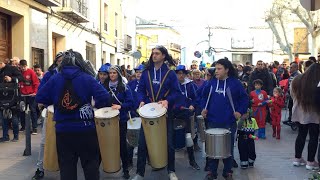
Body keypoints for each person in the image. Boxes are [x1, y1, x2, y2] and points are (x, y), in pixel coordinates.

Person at [35, 49, 111, 180]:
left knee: (67, 167)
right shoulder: (87, 78)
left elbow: (40, 97)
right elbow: (105, 97)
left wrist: (55, 101)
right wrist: (94, 103)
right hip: (86, 129)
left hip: (63, 130)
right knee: (90, 166)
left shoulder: (55, 78)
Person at [132, 45, 180, 180]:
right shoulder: (146, 72)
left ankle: (171, 171)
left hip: (165, 113)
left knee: (169, 143)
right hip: (148, 112)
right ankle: (139, 173)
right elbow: (140, 90)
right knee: (142, 143)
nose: (154, 56)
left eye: (157, 53)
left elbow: (177, 92)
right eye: (153, 53)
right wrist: (141, 100)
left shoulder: (170, 74)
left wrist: (167, 101)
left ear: (164, 56)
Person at [201, 58, 249, 180]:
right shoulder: (211, 83)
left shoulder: (235, 83)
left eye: (219, 69)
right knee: (212, 147)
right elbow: (202, 96)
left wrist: (239, 111)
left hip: (229, 121)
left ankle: (227, 171)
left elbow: (244, 99)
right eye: (215, 69)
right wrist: (203, 108)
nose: (216, 71)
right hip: (212, 120)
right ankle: (212, 171)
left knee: (228, 147)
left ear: (226, 70)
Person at [32, 52, 64, 180]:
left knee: (65, 143)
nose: (61, 62)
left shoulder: (71, 76)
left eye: (64, 60)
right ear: (56, 61)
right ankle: (40, 168)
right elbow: (41, 91)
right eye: (59, 60)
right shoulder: (50, 74)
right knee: (44, 141)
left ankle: (64, 168)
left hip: (66, 112)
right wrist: (44, 102)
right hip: (51, 111)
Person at [105, 65, 134, 179]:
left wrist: (120, 106)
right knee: (105, 143)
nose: (112, 75)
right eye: (110, 73)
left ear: (118, 74)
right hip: (107, 119)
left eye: (114, 73)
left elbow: (131, 103)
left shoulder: (124, 87)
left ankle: (125, 168)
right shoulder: (103, 86)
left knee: (121, 144)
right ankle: (108, 165)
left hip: (120, 120)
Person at [291, 63, 320, 170]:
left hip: (300, 111)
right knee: (313, 136)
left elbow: (292, 94)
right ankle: (310, 161)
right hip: (314, 112)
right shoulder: (317, 81)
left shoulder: (297, 79)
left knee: (301, 135)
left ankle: (297, 159)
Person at [174, 65, 200, 170]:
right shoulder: (171, 85)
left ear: (185, 74)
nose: (181, 75)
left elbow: (196, 98)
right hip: (173, 115)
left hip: (185, 115)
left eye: (182, 73)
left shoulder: (190, 85)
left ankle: (192, 161)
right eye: (179, 73)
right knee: (170, 140)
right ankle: (169, 165)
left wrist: (192, 105)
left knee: (189, 138)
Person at [0, 59, 23, 142]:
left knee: (14, 117)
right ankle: (5, 136)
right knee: (3, 117)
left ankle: (16, 136)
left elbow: (21, 78)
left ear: (1, 63)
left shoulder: (12, 68)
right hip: (2, 97)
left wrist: (11, 79)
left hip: (13, 96)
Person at [127, 64, 145, 168]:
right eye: (137, 72)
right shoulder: (130, 84)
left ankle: (147, 160)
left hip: (144, 115)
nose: (138, 74)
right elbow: (128, 97)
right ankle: (129, 162)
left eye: (141, 72)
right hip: (132, 115)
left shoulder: (148, 84)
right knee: (131, 140)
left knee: (144, 140)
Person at [19, 59, 40, 134]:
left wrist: (35, 92)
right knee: (22, 111)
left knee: (33, 110)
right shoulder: (19, 72)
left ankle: (34, 128)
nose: (23, 68)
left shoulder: (31, 72)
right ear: (20, 66)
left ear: (26, 66)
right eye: (22, 67)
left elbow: (36, 83)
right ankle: (23, 126)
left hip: (31, 95)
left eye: (24, 66)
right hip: (22, 95)